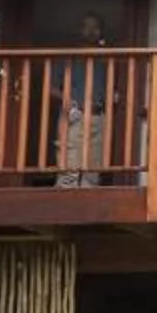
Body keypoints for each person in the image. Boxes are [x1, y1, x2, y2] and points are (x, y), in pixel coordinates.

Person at [60, 12, 112, 185]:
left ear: (101, 31)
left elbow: (112, 88)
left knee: (92, 171)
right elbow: (51, 86)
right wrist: (67, 100)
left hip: (98, 116)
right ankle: (64, 202)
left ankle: (89, 201)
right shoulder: (69, 55)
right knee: (69, 169)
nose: (91, 31)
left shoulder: (106, 58)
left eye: (95, 27)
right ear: (79, 30)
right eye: (87, 27)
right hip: (75, 115)